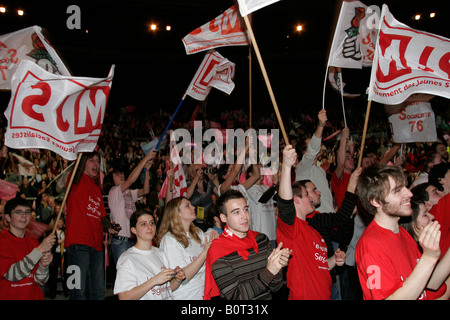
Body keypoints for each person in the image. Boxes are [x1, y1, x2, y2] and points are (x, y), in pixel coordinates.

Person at [355, 163, 450, 299]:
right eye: (398, 190)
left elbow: (431, 283)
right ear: (376, 201)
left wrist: (431, 257)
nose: (409, 193)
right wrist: (428, 258)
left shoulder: (401, 233)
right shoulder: (371, 244)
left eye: (405, 187)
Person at [276, 145, 346, 300]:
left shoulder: (314, 232)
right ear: (296, 199)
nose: (313, 196)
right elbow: (285, 206)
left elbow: (321, 266)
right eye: (308, 194)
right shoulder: (291, 228)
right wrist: (287, 167)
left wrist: (335, 259)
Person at [204, 189, 291, 300]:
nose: (244, 216)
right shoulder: (218, 250)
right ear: (223, 218)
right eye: (236, 212)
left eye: (245, 209)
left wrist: (277, 267)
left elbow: (275, 287)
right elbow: (236, 297)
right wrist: (269, 271)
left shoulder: (262, 240)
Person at [114, 209, 186, 300]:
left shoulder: (160, 253)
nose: (149, 227)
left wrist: (177, 280)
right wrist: (154, 280)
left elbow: (166, 289)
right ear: (134, 230)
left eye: (152, 223)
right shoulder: (127, 259)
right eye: (143, 224)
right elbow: (124, 297)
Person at [65, 152, 108, 300]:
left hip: (96, 247)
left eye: (97, 161)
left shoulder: (97, 189)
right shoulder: (75, 179)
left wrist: (111, 226)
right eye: (91, 160)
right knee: (77, 292)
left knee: (98, 293)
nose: (95, 164)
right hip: (77, 245)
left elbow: (103, 216)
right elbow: (77, 167)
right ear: (82, 162)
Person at [103, 149, 157, 263]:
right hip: (120, 240)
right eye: (117, 175)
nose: (121, 175)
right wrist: (145, 158)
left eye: (122, 173)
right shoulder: (114, 192)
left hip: (131, 239)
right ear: (110, 180)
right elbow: (131, 179)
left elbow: (145, 190)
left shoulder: (128, 192)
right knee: (125, 273)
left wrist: (146, 172)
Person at [157, 197, 216, 300]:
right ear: (177, 213)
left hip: (205, 291)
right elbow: (182, 277)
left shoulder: (198, 232)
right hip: (187, 295)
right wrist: (205, 253)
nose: (193, 207)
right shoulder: (170, 240)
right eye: (187, 205)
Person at [0, 198, 56, 300]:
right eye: (18, 212)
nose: (24, 216)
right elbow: (12, 275)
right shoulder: (2, 242)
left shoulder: (33, 242)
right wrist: (39, 251)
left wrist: (43, 266)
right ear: (7, 217)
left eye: (27, 212)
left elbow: (40, 281)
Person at [295, 109, 335, 213]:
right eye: (311, 146)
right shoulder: (302, 169)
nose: (316, 147)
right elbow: (313, 150)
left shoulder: (320, 170)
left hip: (331, 219)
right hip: (318, 221)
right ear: (304, 153)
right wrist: (321, 125)